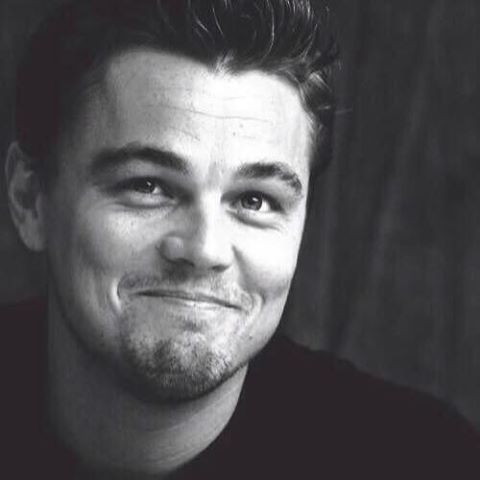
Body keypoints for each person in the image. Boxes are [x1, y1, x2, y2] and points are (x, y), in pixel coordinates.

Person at [2, 0, 480, 478]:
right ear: (30, 199)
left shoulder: (431, 461)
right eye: (148, 186)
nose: (205, 249)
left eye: (255, 200)